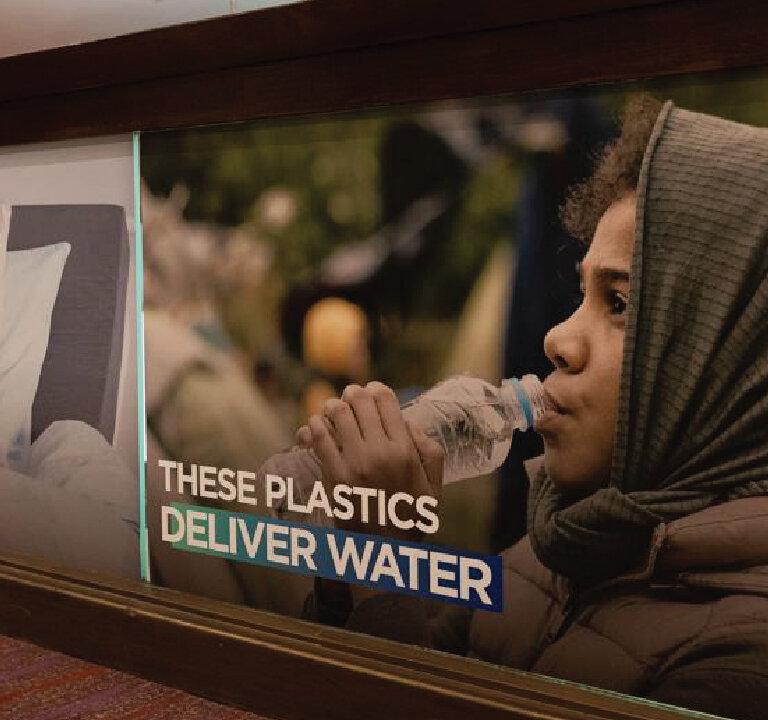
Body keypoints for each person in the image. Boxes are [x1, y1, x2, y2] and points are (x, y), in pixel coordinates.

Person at [296, 96, 768, 720]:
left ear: (723, 362)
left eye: (619, 304)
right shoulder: (547, 554)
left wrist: (388, 571)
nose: (557, 340)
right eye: (582, 295)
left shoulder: (738, 665)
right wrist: (349, 570)